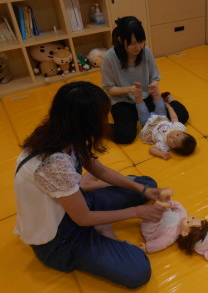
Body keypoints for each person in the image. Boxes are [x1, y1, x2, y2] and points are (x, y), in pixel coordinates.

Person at [13, 81, 169, 289]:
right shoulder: (52, 163)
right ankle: (102, 224)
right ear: (87, 122)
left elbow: (100, 170)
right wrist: (136, 212)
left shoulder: (65, 133)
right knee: (138, 271)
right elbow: (83, 218)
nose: (106, 120)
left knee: (146, 183)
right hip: (60, 239)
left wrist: (142, 190)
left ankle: (87, 191)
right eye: (103, 115)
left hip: (75, 204)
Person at [101, 16, 189, 144]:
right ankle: (95, 127)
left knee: (182, 116)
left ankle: (168, 98)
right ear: (120, 40)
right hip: (123, 102)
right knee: (126, 136)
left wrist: (154, 86)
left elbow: (154, 77)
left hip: (146, 97)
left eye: (141, 41)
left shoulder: (145, 51)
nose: (138, 47)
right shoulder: (110, 58)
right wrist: (129, 90)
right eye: (132, 43)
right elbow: (110, 90)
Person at [140, 189, 208, 262]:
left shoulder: (171, 236)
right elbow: (178, 206)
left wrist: (147, 247)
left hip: (151, 229)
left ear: (184, 233)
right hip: (164, 215)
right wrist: (170, 202)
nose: (189, 218)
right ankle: (161, 203)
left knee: (158, 216)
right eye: (193, 217)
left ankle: (159, 205)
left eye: (188, 222)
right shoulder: (183, 215)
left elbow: (160, 243)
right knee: (167, 209)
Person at [134, 81, 196, 160]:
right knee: (160, 104)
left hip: (147, 124)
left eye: (174, 141)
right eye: (177, 135)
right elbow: (174, 118)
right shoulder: (178, 128)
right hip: (161, 117)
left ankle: (138, 95)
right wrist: (170, 108)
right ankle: (154, 90)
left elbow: (152, 149)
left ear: (173, 148)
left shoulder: (164, 145)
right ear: (182, 132)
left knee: (142, 109)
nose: (173, 136)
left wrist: (161, 154)